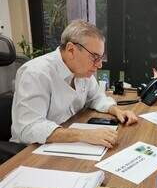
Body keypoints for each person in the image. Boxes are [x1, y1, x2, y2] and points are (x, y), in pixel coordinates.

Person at [11, 20, 138, 148]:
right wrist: (84, 135)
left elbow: (96, 97)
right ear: (71, 50)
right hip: (30, 150)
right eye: (94, 57)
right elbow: (29, 128)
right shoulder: (36, 73)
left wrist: (116, 111)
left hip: (65, 139)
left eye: (100, 58)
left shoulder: (82, 71)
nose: (99, 65)